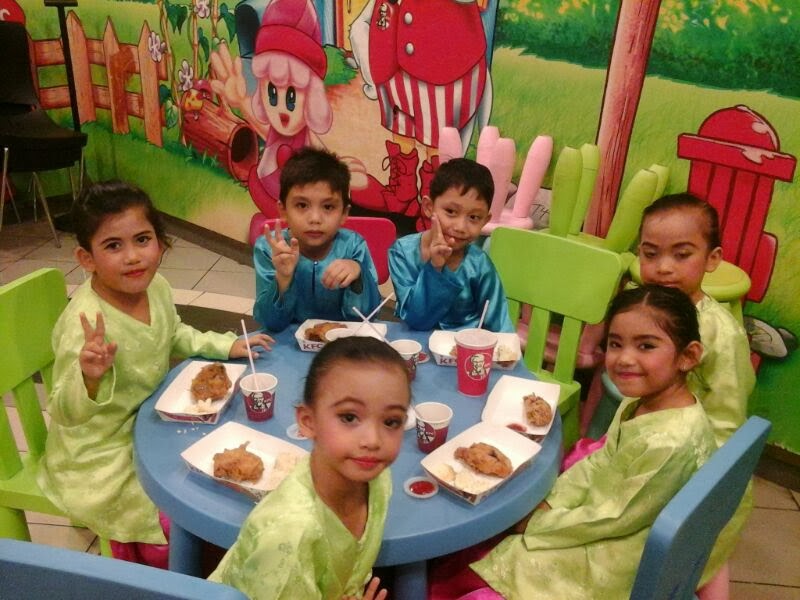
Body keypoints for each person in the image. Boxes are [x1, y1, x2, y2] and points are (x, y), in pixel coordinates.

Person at [36, 181, 274, 568]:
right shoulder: (86, 325)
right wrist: (88, 377)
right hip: (101, 452)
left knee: (219, 472)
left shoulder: (157, 287)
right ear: (86, 258)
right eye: (113, 246)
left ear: (161, 243)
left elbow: (174, 332)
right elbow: (63, 411)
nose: (133, 257)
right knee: (177, 516)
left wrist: (225, 345)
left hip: (154, 419)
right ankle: (167, 572)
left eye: (143, 239)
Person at [429, 285, 717, 599]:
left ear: (687, 356)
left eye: (646, 346)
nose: (624, 359)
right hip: (600, 516)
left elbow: (615, 518)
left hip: (615, 551)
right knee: (482, 540)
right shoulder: (643, 401)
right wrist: (552, 503)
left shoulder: (668, 442)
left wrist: (539, 523)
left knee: (485, 561)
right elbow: (600, 462)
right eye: (615, 344)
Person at [209, 336, 411, 599]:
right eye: (349, 417)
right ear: (307, 421)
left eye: (391, 422)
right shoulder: (291, 534)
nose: (373, 440)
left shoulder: (377, 478)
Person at [253, 147, 382, 332]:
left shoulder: (353, 245)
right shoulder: (270, 248)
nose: (315, 219)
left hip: (343, 340)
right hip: (288, 341)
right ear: (283, 210)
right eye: (302, 205)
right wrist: (282, 279)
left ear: (344, 214)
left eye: (328, 207)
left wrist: (358, 274)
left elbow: (367, 317)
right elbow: (270, 324)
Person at [388, 158, 514, 332]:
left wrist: (507, 349)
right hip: (414, 343)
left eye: (474, 217)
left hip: (465, 345)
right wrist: (435, 268)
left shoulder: (479, 264)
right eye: (451, 211)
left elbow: (501, 326)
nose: (460, 227)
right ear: (429, 207)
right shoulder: (403, 252)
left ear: (485, 221)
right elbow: (416, 320)